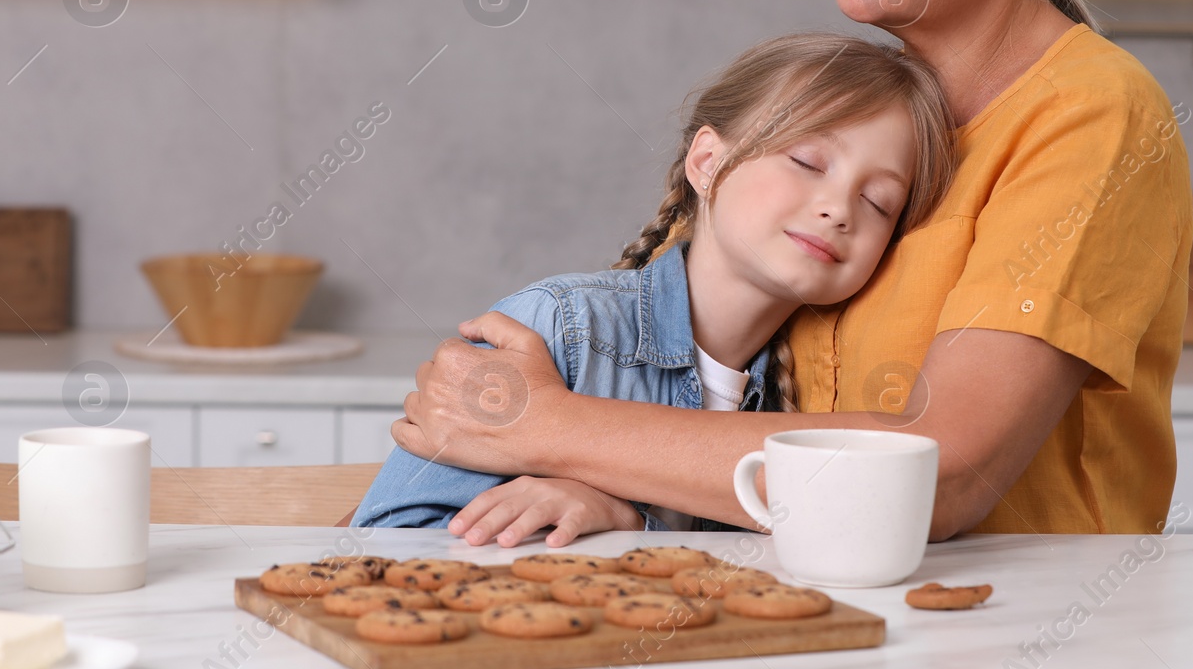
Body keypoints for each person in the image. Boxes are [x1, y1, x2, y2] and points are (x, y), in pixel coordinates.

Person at [391, 0, 1193, 543]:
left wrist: (540, 427)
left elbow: (943, 476)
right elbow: (688, 401)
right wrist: (610, 499)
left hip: (1014, 641)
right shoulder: (864, 113)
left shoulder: (1094, 118)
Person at [352, 32, 956, 544]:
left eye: (879, 202)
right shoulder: (555, 331)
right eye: (807, 163)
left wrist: (621, 516)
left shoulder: (805, 395)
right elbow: (385, 536)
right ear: (707, 162)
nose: (839, 209)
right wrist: (610, 524)